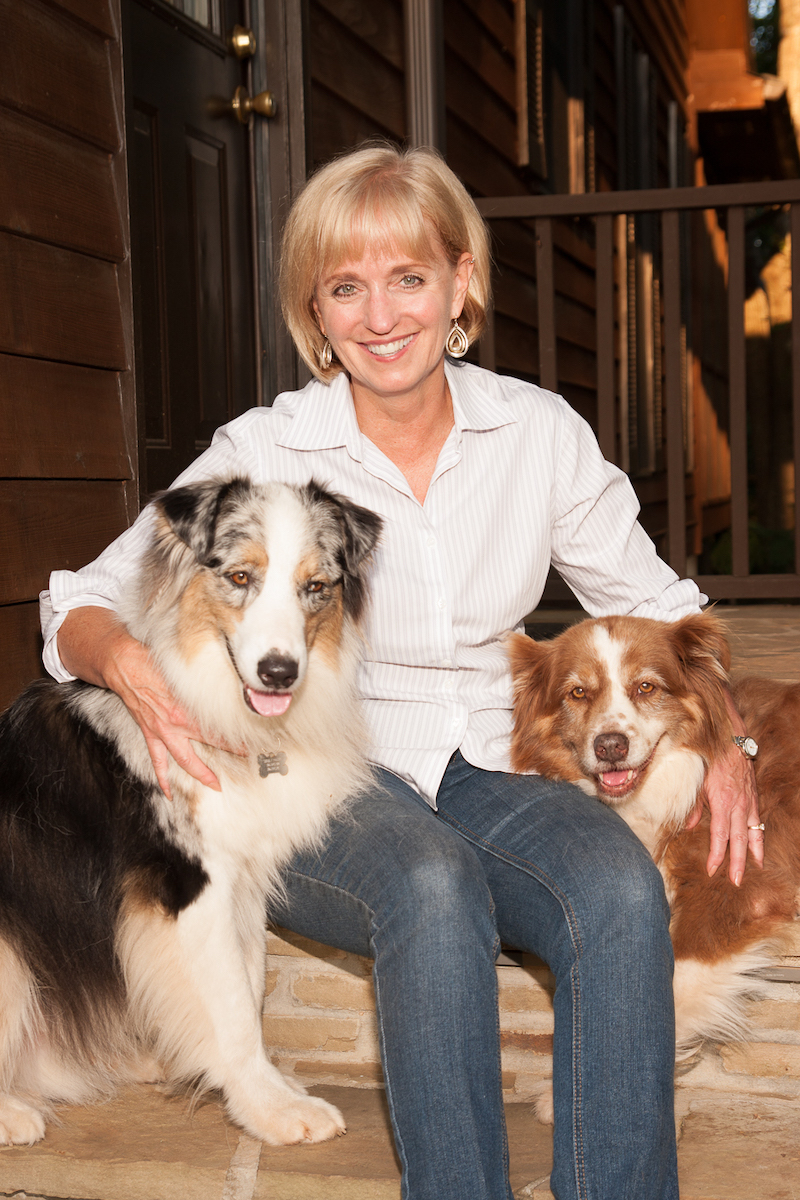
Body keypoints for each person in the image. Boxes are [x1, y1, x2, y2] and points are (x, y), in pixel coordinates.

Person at [40, 143, 761, 1200]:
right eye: (345, 288)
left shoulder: (537, 433)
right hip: (324, 771)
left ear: (459, 284)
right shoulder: (269, 445)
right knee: (428, 883)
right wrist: (128, 669)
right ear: (315, 314)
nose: (380, 317)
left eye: (407, 279)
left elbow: (654, 599)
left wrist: (729, 739)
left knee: (611, 885)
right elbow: (79, 600)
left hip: (484, 763)